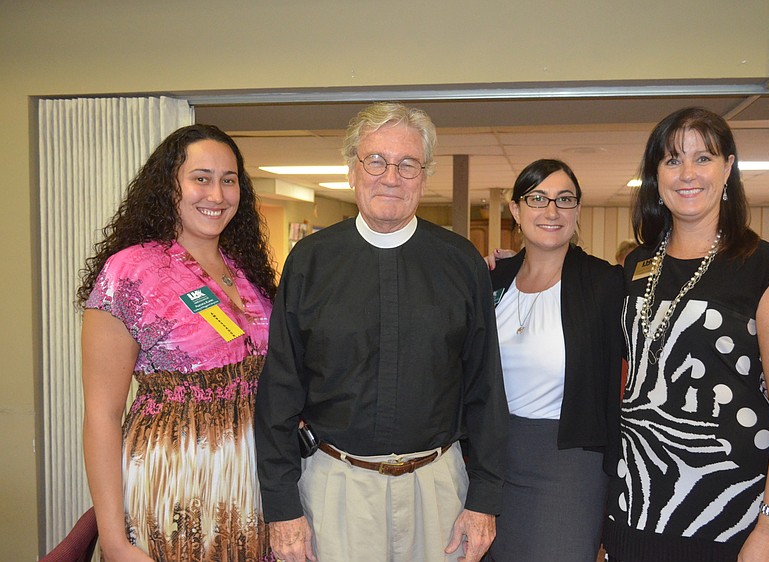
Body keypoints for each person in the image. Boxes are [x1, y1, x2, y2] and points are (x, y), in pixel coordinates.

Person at [255, 101, 508, 562]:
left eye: (407, 164)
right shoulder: (310, 261)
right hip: (334, 489)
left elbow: (485, 389)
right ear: (353, 169)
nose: (391, 176)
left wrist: (485, 499)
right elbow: (279, 391)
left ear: (425, 175)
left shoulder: (460, 262)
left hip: (438, 493)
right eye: (376, 160)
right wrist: (281, 506)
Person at [601, 107, 769, 562]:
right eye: (673, 160)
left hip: (736, 510)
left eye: (704, 158)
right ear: (655, 175)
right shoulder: (637, 265)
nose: (687, 174)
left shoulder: (768, 270)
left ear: (728, 168)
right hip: (642, 502)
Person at [77, 124, 278, 562]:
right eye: (200, 178)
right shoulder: (129, 272)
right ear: (168, 185)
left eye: (229, 180)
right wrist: (113, 541)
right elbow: (102, 414)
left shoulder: (246, 269)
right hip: (175, 488)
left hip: (255, 491)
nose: (218, 195)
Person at [486, 159, 624, 561]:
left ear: (578, 210)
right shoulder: (492, 279)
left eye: (564, 199)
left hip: (567, 461)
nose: (551, 211)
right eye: (538, 199)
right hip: (490, 456)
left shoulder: (605, 284)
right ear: (516, 209)